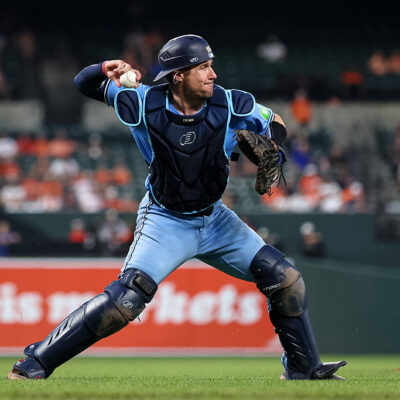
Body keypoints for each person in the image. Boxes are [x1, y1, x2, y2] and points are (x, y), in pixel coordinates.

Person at [8, 34, 346, 381]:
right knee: (124, 301)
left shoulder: (231, 104)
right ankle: (34, 363)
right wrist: (105, 67)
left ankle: (302, 368)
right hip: (164, 219)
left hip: (215, 219)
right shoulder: (142, 103)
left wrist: (274, 147)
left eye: (211, 65)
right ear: (179, 75)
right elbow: (84, 83)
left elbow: (275, 122)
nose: (212, 74)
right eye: (203, 67)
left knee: (287, 281)